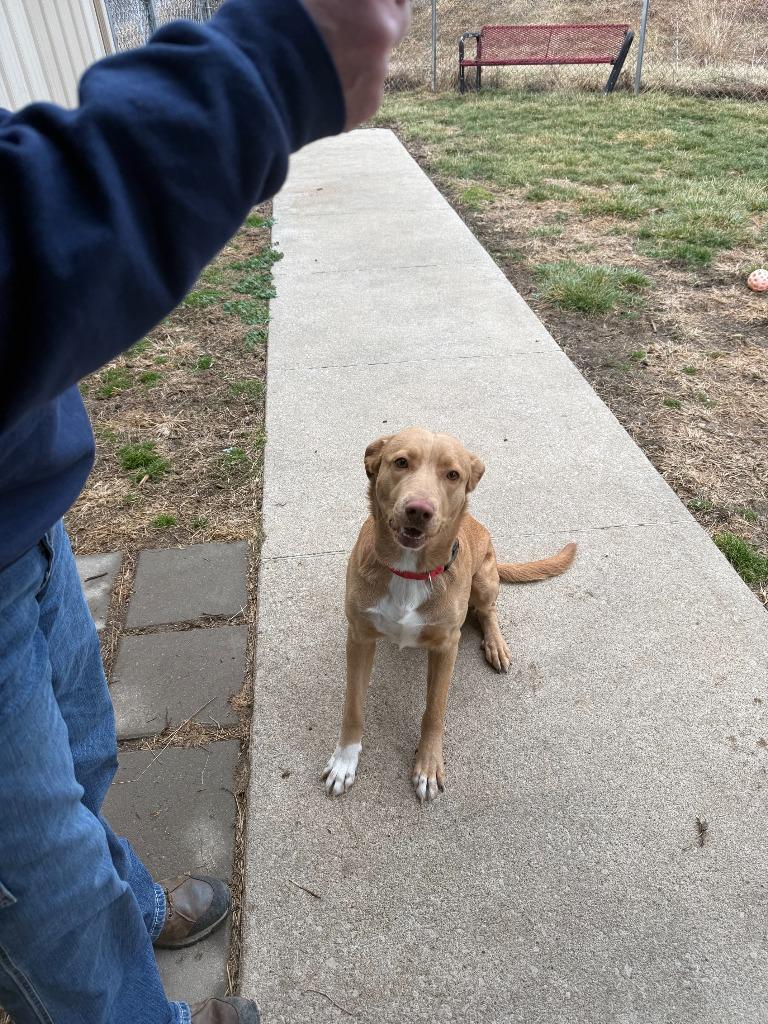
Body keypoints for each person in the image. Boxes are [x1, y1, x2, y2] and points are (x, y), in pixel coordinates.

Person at [0, 0, 410, 1020]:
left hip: (20, 516)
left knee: (82, 760)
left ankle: (125, 901)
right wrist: (269, 68)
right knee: (38, 894)